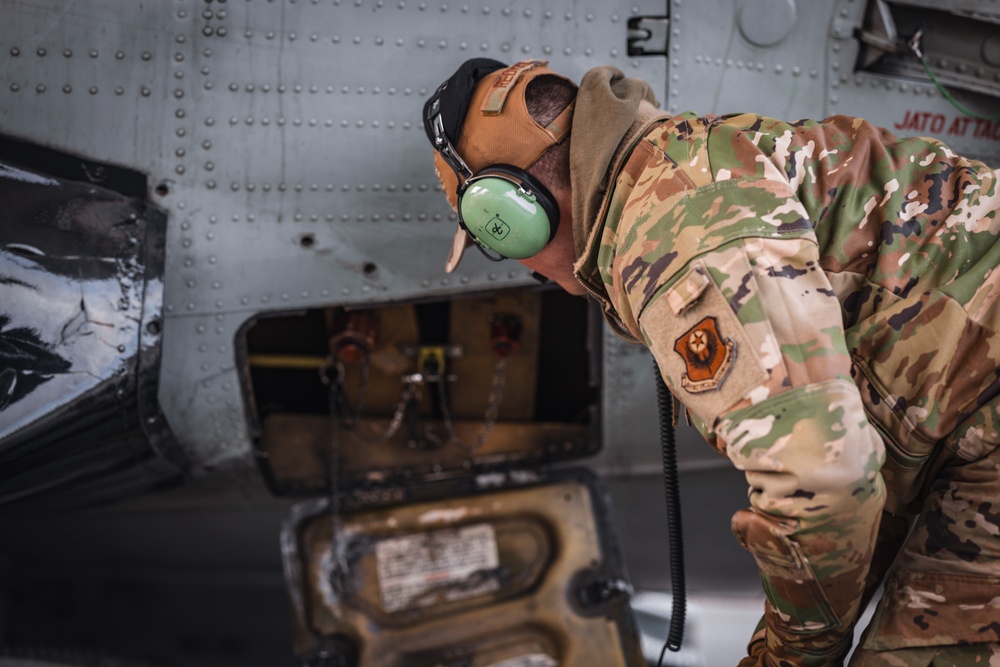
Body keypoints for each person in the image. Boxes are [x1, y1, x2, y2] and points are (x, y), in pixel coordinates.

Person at [422, 58, 1000, 666]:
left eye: (491, 236)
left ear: (516, 212)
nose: (514, 262)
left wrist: (794, 657)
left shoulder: (671, 229)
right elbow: (855, 462)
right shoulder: (685, 167)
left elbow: (822, 480)